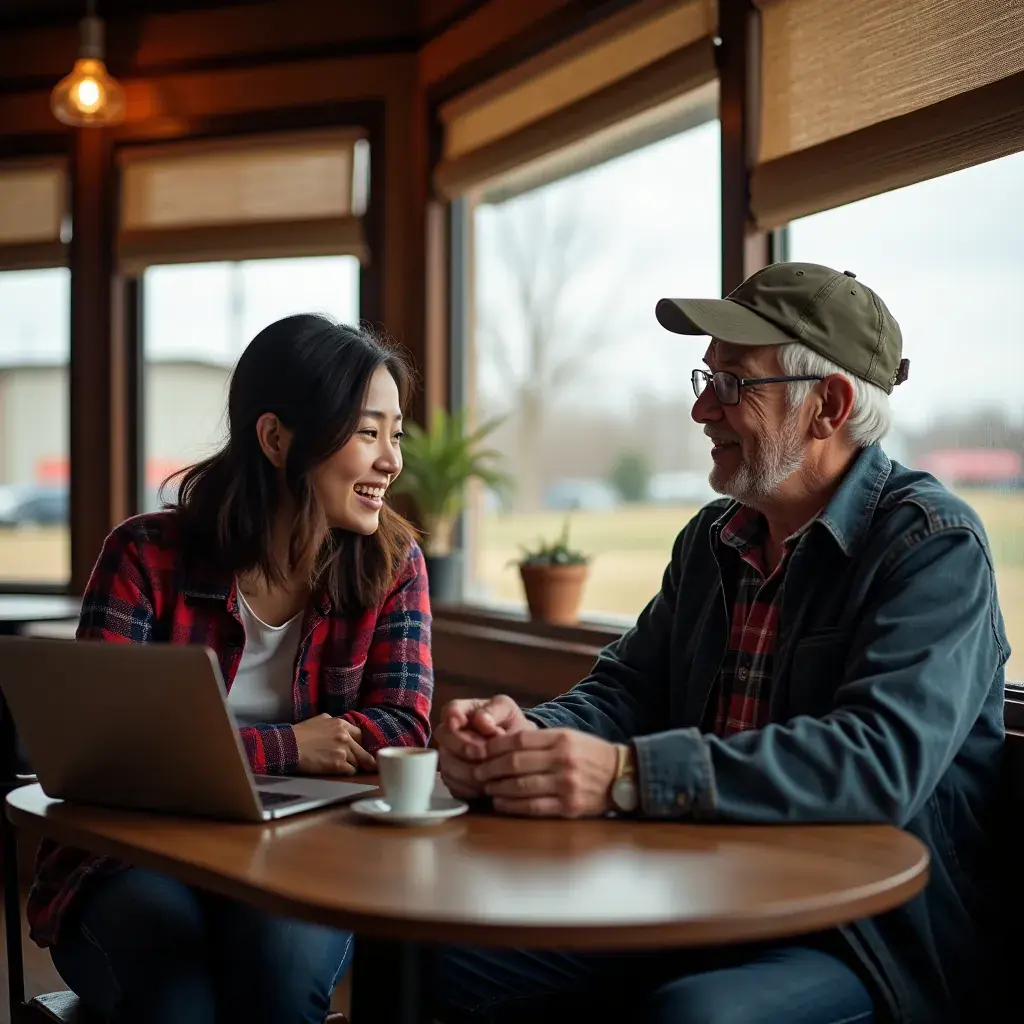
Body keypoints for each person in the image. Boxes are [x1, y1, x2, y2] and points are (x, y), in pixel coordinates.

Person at [432, 263, 1009, 1024]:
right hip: (693, 890)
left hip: (860, 937)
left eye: (733, 384)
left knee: (697, 1016)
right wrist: (525, 737)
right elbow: (627, 689)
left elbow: (878, 761)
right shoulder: (712, 538)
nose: (702, 408)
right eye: (706, 378)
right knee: (436, 954)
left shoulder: (933, 545)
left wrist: (627, 777)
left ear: (828, 406)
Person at [28, 313, 434, 1024]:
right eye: (368, 433)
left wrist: (211, 753)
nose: (391, 461)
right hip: (136, 855)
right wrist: (290, 746)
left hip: (310, 852)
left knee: (280, 970)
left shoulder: (393, 565)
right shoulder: (144, 555)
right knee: (177, 990)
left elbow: (402, 728)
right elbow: (103, 755)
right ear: (276, 439)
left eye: (394, 434)